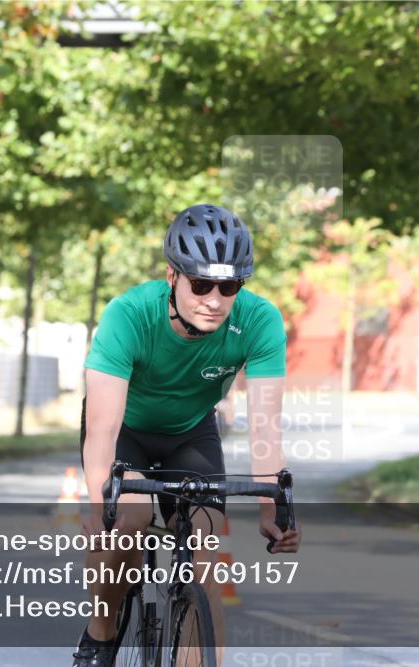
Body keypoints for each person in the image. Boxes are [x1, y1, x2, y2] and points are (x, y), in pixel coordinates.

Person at [73, 204, 302, 667]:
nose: (214, 299)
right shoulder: (129, 315)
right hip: (125, 431)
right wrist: (102, 505)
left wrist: (271, 509)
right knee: (128, 522)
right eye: (200, 284)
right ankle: (101, 632)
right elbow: (101, 429)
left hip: (190, 433)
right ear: (172, 276)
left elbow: (264, 425)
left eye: (229, 286)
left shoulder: (259, 321)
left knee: (205, 551)